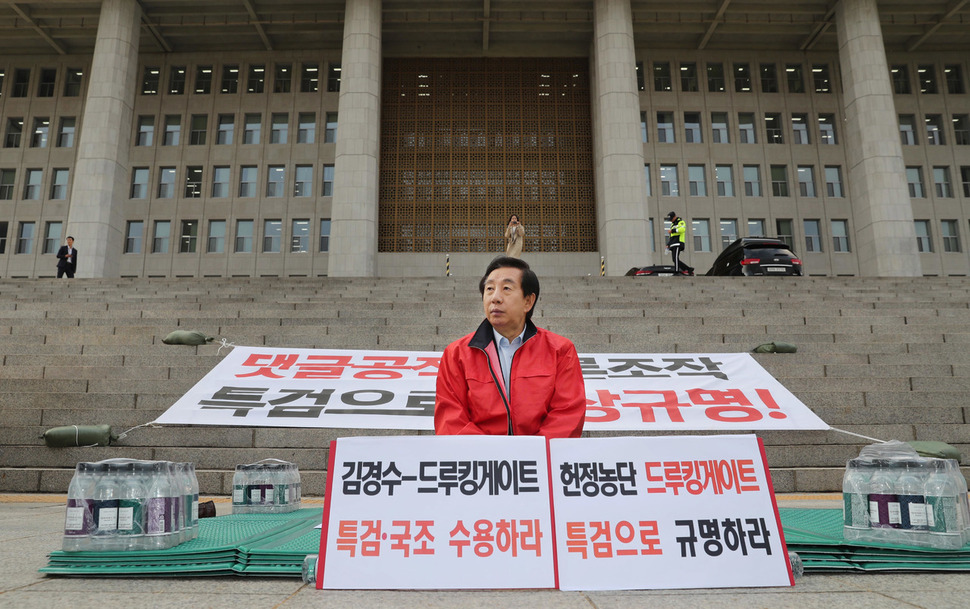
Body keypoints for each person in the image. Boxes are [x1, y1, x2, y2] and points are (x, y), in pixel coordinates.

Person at [434, 256, 586, 439]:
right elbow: (450, 419)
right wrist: (493, 458)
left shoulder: (560, 350)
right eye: (489, 289)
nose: (495, 298)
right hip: (481, 463)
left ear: (528, 302)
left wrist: (530, 456)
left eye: (506, 289)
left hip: (541, 461)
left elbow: (567, 414)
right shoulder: (456, 354)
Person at [665, 211, 694, 275]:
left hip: (678, 242)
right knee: (674, 259)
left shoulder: (680, 222)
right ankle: (688, 269)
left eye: (671, 219)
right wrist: (668, 244)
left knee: (675, 258)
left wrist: (673, 230)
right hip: (673, 243)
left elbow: (682, 229)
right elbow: (671, 236)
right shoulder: (672, 224)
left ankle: (676, 271)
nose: (670, 221)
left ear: (675, 217)